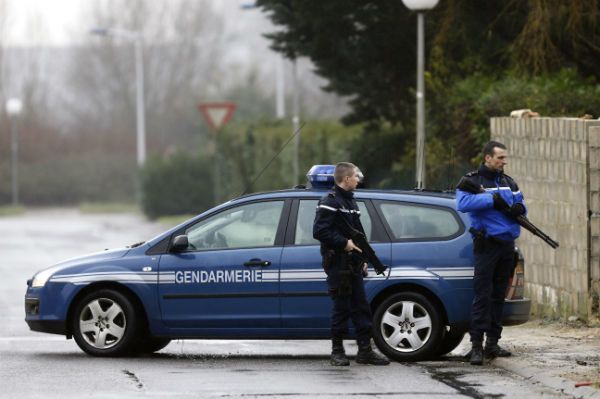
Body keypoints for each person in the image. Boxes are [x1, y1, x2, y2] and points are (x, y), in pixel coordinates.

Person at [456, 141, 526, 365]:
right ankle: (476, 346)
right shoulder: (472, 181)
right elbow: (463, 203)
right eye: (500, 158)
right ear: (487, 158)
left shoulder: (508, 181)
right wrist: (491, 199)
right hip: (487, 245)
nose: (504, 162)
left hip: (507, 245)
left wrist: (519, 209)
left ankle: (493, 343)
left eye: (505, 158)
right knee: (482, 296)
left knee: (499, 296)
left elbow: (520, 203)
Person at [313, 162, 390, 367]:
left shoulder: (351, 203)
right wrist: (344, 244)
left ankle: (365, 351)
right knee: (341, 308)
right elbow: (319, 232)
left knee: (362, 308)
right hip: (337, 263)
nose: (358, 180)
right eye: (355, 176)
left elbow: (358, 234)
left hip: (353, 264)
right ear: (346, 179)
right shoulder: (329, 201)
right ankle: (337, 352)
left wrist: (363, 259)